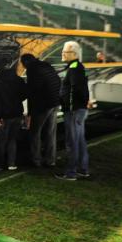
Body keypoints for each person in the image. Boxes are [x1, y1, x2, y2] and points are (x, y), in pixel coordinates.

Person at [56, 41, 91, 181]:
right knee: (80, 141)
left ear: (74, 54)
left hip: (73, 111)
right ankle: (83, 169)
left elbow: (75, 89)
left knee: (72, 142)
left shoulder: (74, 68)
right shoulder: (76, 67)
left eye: (66, 52)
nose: (62, 54)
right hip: (78, 109)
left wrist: (69, 107)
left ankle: (71, 173)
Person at [20, 54, 61, 167]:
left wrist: (30, 113)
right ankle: (50, 160)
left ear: (26, 62)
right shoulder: (46, 65)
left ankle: (36, 160)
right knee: (50, 132)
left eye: (23, 64)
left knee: (35, 132)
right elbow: (58, 81)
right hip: (55, 102)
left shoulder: (32, 70)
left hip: (43, 105)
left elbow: (33, 92)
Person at [0, 64, 27, 171]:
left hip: (4, 116)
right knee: (12, 139)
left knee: (2, 140)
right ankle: (11, 163)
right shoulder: (19, 80)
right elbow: (25, 94)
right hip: (17, 113)